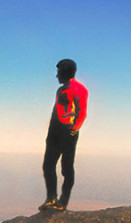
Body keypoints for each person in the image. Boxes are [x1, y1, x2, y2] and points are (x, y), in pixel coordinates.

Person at [39, 59, 89, 211]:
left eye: (59, 72)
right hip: (55, 132)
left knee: (66, 168)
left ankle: (63, 202)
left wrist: (74, 129)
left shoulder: (79, 89)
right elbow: (58, 111)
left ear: (66, 72)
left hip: (67, 132)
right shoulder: (60, 90)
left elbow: (82, 112)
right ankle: (51, 198)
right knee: (48, 165)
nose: (56, 76)